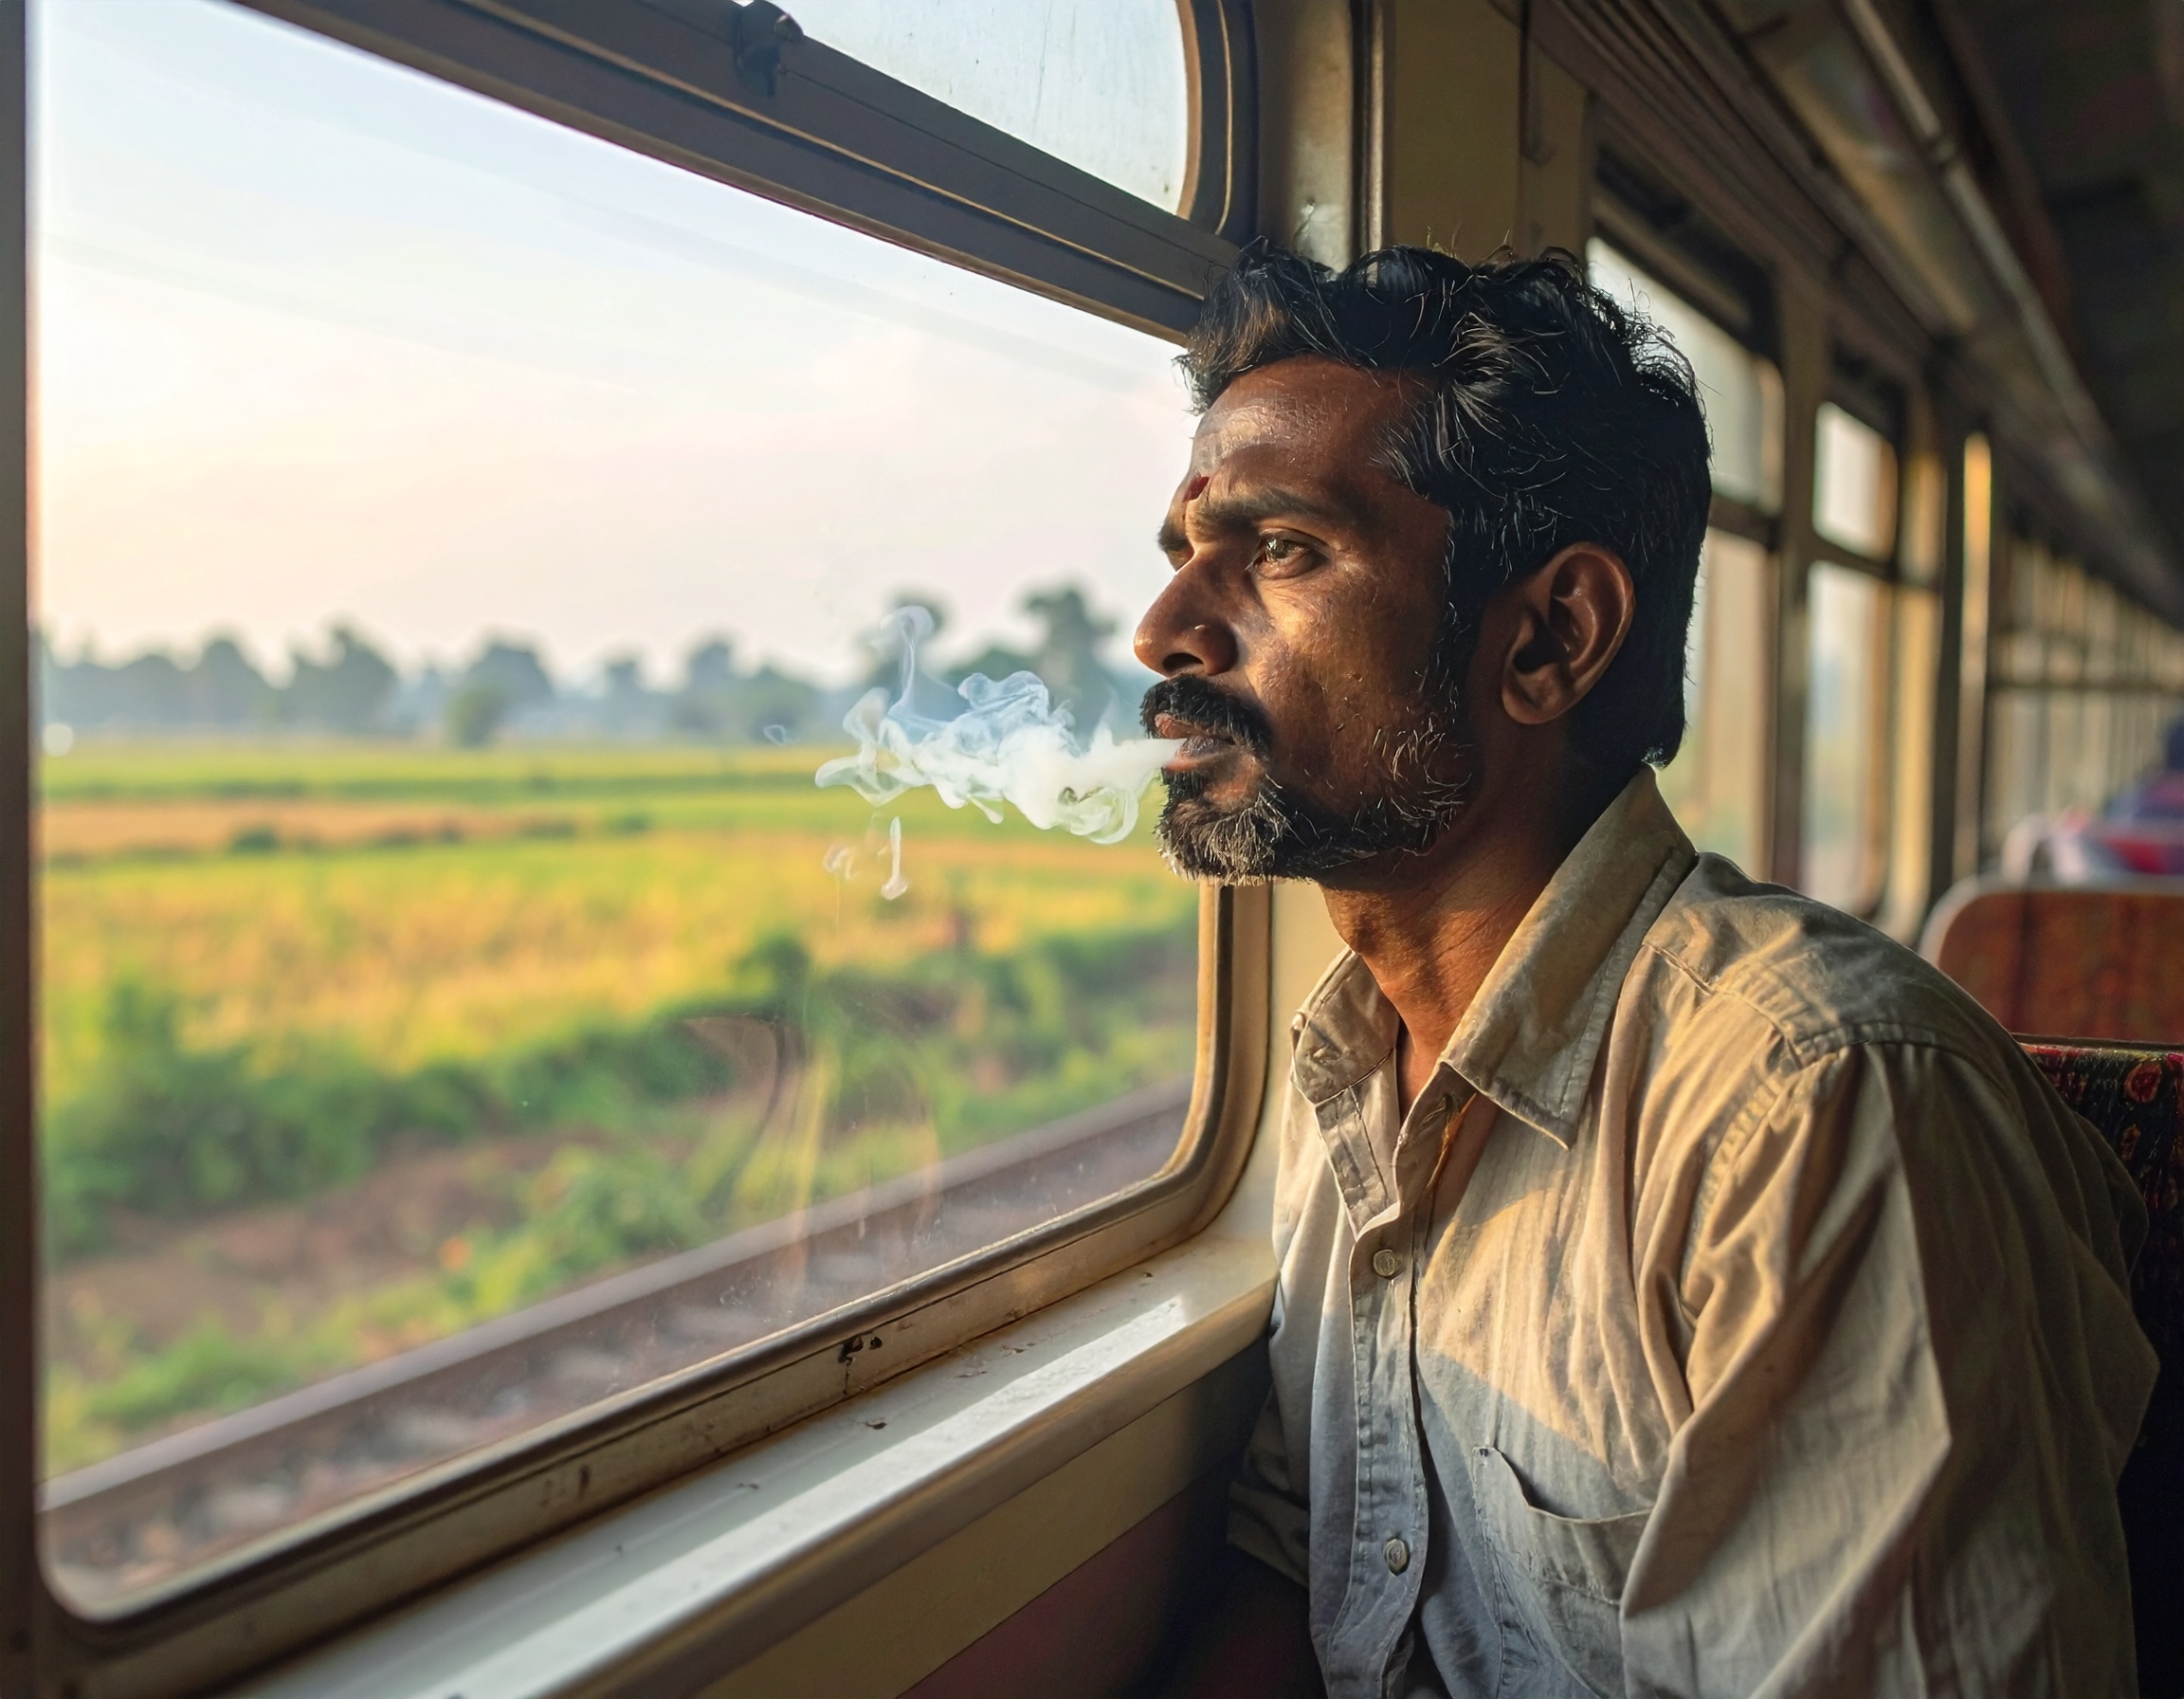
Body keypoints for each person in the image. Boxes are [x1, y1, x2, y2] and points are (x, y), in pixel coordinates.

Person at [1138, 244, 2154, 1698]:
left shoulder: (1819, 1110)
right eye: (1184, 554)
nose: (1164, 630)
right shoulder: (1354, 1067)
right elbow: (1302, 1561)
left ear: (1551, 637)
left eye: (1282, 548)